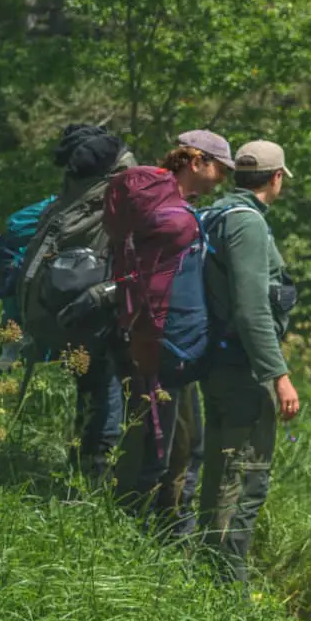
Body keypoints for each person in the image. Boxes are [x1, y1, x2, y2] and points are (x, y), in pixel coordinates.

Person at [113, 130, 232, 536]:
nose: (223, 178)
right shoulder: (174, 217)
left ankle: (155, 527)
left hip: (157, 339)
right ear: (195, 161)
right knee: (162, 446)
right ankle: (139, 532)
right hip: (166, 342)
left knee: (175, 442)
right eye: (219, 167)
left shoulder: (166, 206)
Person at [197, 139, 300, 590]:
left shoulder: (215, 214)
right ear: (276, 178)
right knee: (243, 473)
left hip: (218, 361)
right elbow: (252, 309)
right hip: (241, 367)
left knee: (221, 466)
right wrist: (278, 375)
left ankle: (205, 568)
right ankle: (226, 586)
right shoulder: (248, 225)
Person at [20, 124, 136, 483]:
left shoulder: (76, 188)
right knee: (106, 393)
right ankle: (98, 482)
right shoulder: (120, 185)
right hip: (100, 309)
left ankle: (80, 471)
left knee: (89, 393)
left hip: (68, 308)